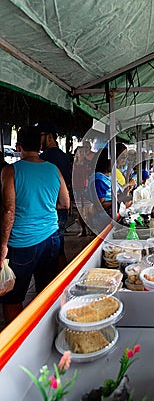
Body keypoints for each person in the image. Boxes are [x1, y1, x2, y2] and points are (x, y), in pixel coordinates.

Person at [0, 125, 70, 325]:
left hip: (22, 243)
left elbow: (8, 210)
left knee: (12, 297)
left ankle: (19, 342)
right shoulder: (53, 169)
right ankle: (47, 332)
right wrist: (45, 206)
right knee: (46, 291)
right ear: (40, 146)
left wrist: (3, 245)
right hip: (51, 239)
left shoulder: (11, 170)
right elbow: (65, 203)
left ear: (17, 145)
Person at [37, 121, 72, 270]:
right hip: (62, 208)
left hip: (50, 209)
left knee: (50, 252)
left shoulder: (44, 158)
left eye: (40, 136)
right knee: (59, 246)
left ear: (49, 137)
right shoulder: (64, 157)